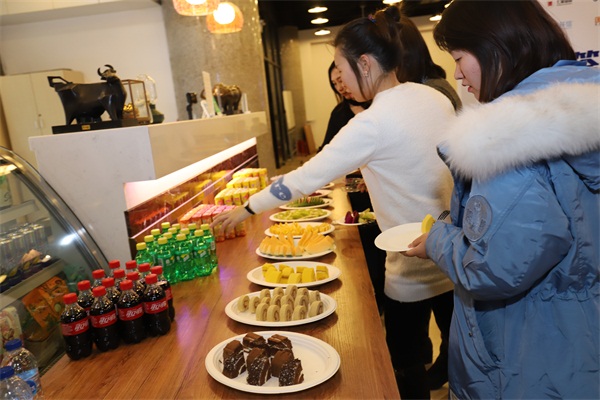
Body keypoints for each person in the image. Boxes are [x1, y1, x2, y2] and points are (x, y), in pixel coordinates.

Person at [213, 6, 455, 399]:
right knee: (459, 350)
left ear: (365, 63)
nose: (340, 80)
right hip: (452, 249)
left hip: (410, 263)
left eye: (341, 67)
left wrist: (246, 208)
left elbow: (306, 177)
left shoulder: (372, 122)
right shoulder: (434, 98)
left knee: (403, 362)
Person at [405, 1, 599, 399]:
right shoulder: (583, 102)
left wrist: (438, 240)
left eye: (459, 57)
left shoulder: (507, 141)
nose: (457, 74)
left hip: (527, 357)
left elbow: (494, 267)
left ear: (496, 47)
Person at [318, 62, 366, 152]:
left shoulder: (378, 103)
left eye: (340, 80)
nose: (339, 88)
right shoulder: (338, 113)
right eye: (334, 84)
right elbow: (326, 148)